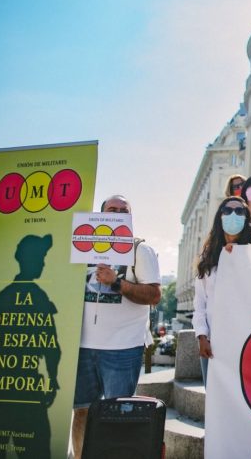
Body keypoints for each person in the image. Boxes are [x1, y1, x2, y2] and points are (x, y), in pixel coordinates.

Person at [72, 195, 162, 459]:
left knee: (117, 416)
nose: (119, 213)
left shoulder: (139, 250)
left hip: (123, 349)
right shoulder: (82, 247)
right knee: (82, 412)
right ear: (100, 216)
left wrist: (116, 283)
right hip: (82, 346)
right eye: (113, 209)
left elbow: (154, 296)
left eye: (125, 211)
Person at [0, 234, 59, 457]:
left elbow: (50, 345)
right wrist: (52, 378)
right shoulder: (33, 298)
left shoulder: (6, 296)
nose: (41, 263)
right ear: (25, 260)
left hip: (13, 390)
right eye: (39, 258)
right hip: (11, 391)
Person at [193, 196, 251, 385]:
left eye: (239, 211)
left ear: (246, 218)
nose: (233, 215)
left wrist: (240, 258)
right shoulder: (207, 259)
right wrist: (202, 336)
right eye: (227, 211)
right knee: (213, 398)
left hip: (245, 340)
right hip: (213, 342)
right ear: (220, 217)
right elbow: (200, 304)